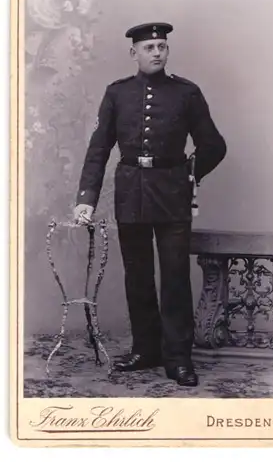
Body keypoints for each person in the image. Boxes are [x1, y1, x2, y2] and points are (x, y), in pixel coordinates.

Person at [74, 22, 227, 387]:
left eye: (162, 46)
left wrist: (190, 174)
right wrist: (86, 201)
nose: (157, 52)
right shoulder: (117, 94)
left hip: (172, 194)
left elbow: (214, 145)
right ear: (134, 53)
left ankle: (178, 358)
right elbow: (98, 150)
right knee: (137, 276)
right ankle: (146, 349)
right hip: (130, 193)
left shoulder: (186, 93)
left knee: (174, 277)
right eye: (149, 47)